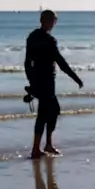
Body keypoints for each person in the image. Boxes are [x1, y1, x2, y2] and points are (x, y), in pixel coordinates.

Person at [25, 10, 83, 158]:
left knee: (45, 113)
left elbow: (27, 62)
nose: (53, 24)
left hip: (37, 80)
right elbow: (61, 62)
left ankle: (43, 146)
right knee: (52, 111)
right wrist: (76, 78)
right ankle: (40, 148)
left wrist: (31, 81)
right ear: (46, 21)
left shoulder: (31, 37)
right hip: (47, 81)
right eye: (53, 21)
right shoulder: (50, 40)